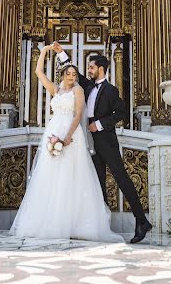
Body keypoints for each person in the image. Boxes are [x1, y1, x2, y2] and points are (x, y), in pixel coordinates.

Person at [9, 43, 123, 243]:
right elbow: (38, 71)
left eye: (74, 74)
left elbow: (79, 114)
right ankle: (50, 221)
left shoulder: (78, 90)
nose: (72, 76)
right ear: (63, 74)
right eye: (68, 73)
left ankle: (73, 222)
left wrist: (68, 136)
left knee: (72, 175)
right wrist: (45, 50)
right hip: (53, 132)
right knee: (50, 175)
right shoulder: (55, 89)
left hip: (71, 135)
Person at [52, 42, 153, 244]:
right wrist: (61, 52)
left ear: (100, 69)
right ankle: (102, 224)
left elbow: (121, 113)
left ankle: (142, 220)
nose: (88, 70)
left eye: (91, 67)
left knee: (122, 179)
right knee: (97, 184)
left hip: (105, 140)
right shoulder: (87, 85)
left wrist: (98, 124)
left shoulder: (111, 90)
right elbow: (73, 71)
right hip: (88, 142)